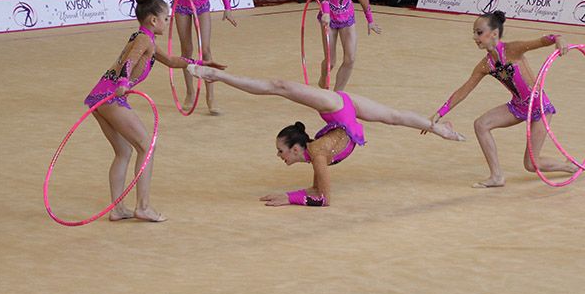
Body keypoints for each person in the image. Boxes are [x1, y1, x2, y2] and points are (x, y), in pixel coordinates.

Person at [185, 65, 465, 207]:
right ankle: (440, 129)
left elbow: (322, 198)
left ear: (297, 149)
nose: (279, 156)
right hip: (344, 114)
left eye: (281, 151)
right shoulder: (314, 153)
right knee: (393, 116)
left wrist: (289, 197)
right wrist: (293, 195)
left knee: (279, 86)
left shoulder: (317, 153)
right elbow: (317, 191)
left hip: (336, 108)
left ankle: (216, 75)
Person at [85, 0, 225, 222]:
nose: (168, 22)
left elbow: (171, 61)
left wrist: (200, 63)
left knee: (123, 152)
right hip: (111, 96)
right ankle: (143, 206)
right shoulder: (143, 40)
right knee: (147, 146)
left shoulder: (145, 38)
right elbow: (130, 60)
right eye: (166, 18)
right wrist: (123, 82)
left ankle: (118, 209)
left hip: (98, 96)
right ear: (153, 20)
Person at [426, 11, 576, 188]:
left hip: (539, 107)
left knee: (531, 164)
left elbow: (540, 42)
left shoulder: (512, 49)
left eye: (479, 32)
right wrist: (439, 113)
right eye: (474, 33)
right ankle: (496, 176)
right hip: (518, 106)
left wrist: (557, 38)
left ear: (494, 33)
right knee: (481, 125)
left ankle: (569, 166)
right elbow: (464, 90)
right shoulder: (485, 65)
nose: (474, 37)